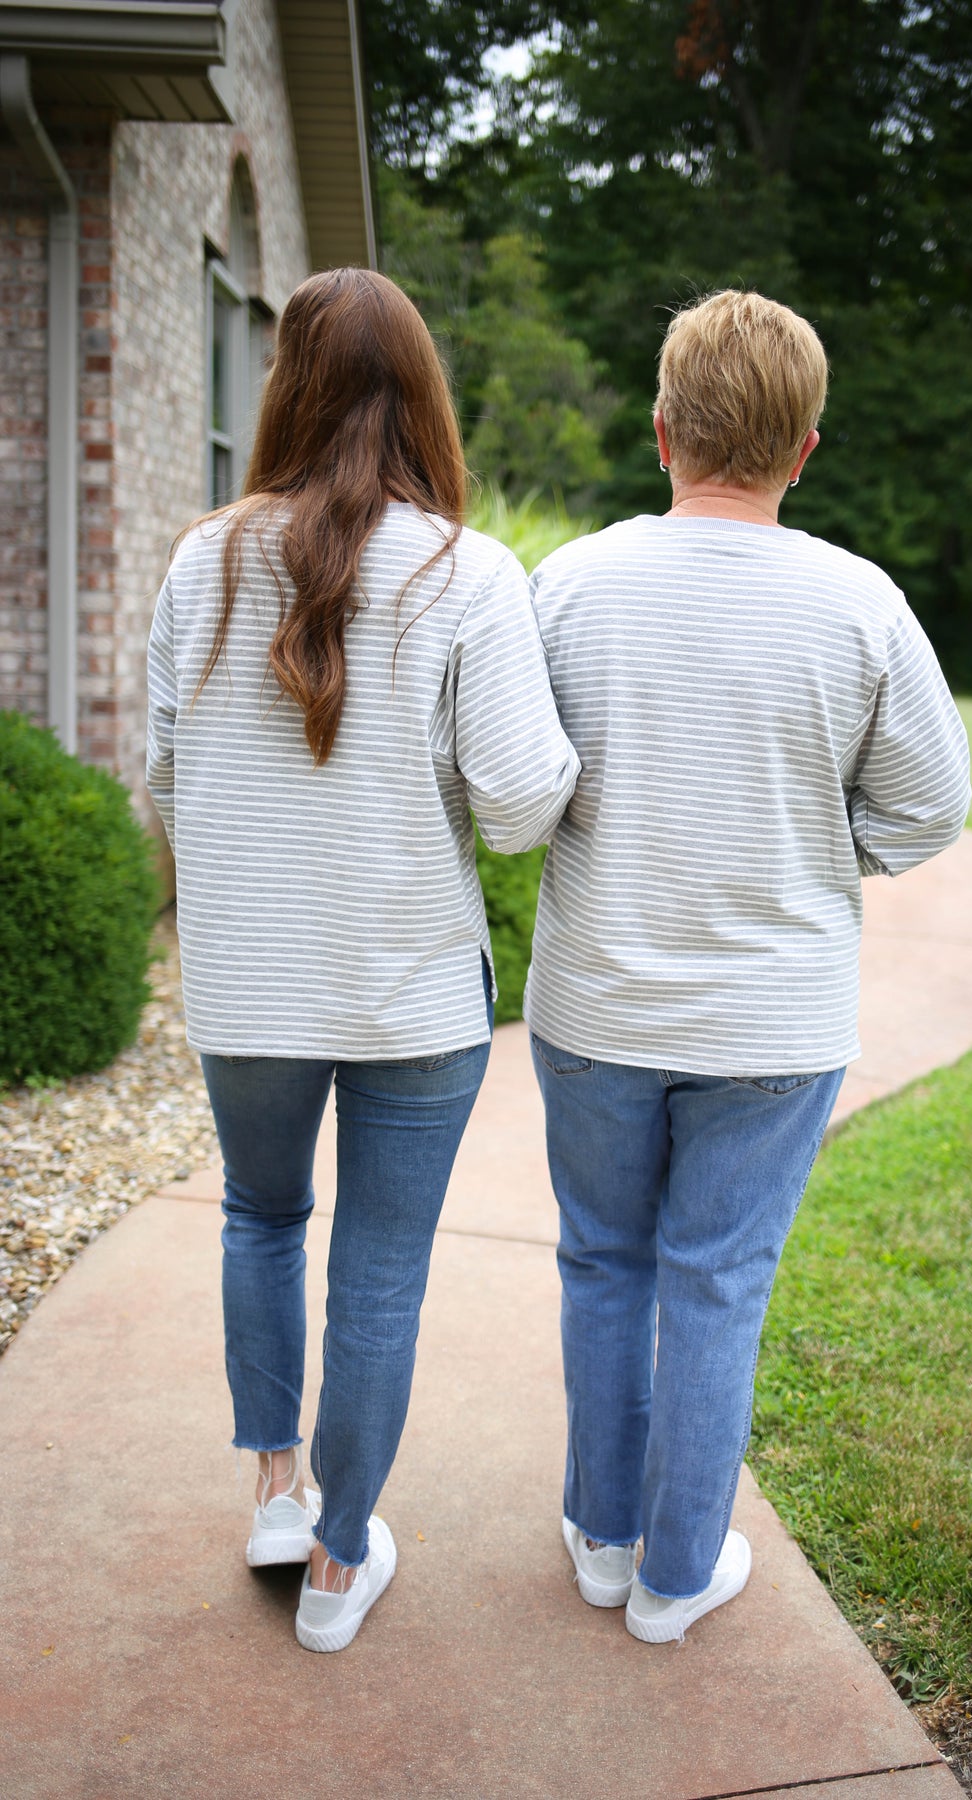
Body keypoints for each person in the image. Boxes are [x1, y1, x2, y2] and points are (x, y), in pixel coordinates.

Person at [526, 289, 970, 1644]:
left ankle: (605, 1540)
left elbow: (512, 781)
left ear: (662, 431)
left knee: (604, 1260)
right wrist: (819, 850)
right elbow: (932, 805)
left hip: (597, 999)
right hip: (776, 1023)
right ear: (805, 448)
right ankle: (675, 1576)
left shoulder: (571, 585)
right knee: (718, 1278)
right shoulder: (861, 604)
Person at [146, 268, 579, 1652]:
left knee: (261, 1218)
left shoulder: (198, 561)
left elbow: (164, 777)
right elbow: (520, 809)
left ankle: (279, 1492)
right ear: (425, 399)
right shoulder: (470, 573)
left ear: (284, 389)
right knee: (380, 1273)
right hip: (410, 991)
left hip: (246, 983)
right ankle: (339, 1568)